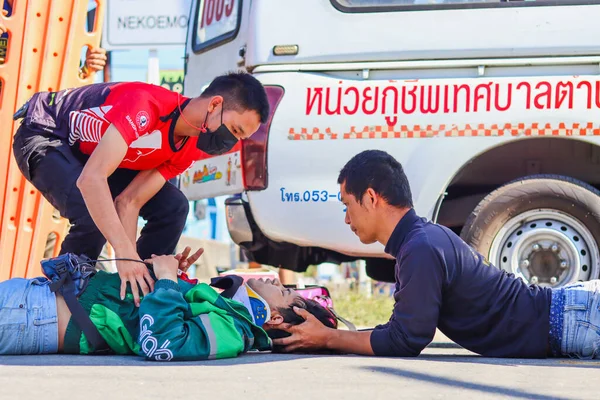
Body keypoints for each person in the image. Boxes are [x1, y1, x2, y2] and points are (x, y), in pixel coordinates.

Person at [273, 149, 600, 360]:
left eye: (347, 204)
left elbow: (407, 340)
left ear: (371, 198)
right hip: (571, 312)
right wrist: (331, 334)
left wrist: (330, 339)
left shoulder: (420, 247)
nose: (346, 218)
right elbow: (401, 330)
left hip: (575, 318)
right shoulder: (418, 241)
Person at [12, 72, 270, 307]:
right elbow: (92, 179)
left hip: (92, 155)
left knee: (173, 206)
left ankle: (138, 293)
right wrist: (124, 253)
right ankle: (59, 300)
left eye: (239, 138)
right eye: (234, 130)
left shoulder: (189, 148)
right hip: (46, 133)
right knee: (91, 210)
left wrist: (133, 264)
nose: (231, 142)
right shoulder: (146, 104)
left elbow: (130, 201)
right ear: (214, 104)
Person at [0, 249, 337, 360]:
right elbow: (146, 311)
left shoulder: (234, 331)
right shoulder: (229, 313)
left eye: (285, 292)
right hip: (38, 300)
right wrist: (174, 278)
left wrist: (166, 281)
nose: (280, 282)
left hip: (35, 317)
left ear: (275, 317)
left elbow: (161, 341)